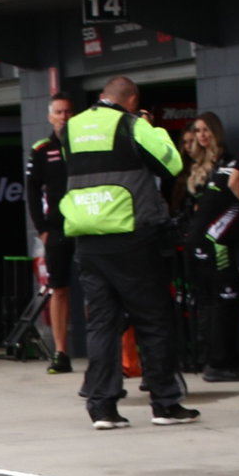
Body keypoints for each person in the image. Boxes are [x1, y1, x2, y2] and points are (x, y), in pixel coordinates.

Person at [61, 75, 193, 429]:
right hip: (132, 234)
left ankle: (103, 408)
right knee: (153, 320)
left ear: (103, 96)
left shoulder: (71, 128)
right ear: (132, 100)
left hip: (87, 238)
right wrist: (152, 128)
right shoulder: (132, 124)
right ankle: (165, 403)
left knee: (103, 324)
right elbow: (173, 165)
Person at [182, 113, 239, 382]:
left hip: (217, 241)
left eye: (206, 130)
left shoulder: (228, 162)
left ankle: (218, 359)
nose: (202, 135)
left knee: (219, 301)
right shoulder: (200, 167)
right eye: (197, 131)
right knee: (218, 301)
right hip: (210, 242)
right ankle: (219, 362)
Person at [27, 94, 76, 374]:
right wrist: (42, 230)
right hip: (56, 229)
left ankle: (102, 350)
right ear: (50, 116)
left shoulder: (83, 144)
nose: (64, 117)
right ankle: (61, 353)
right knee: (59, 290)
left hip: (87, 226)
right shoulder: (42, 149)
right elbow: (32, 191)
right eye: (59, 112)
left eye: (68, 111)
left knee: (97, 289)